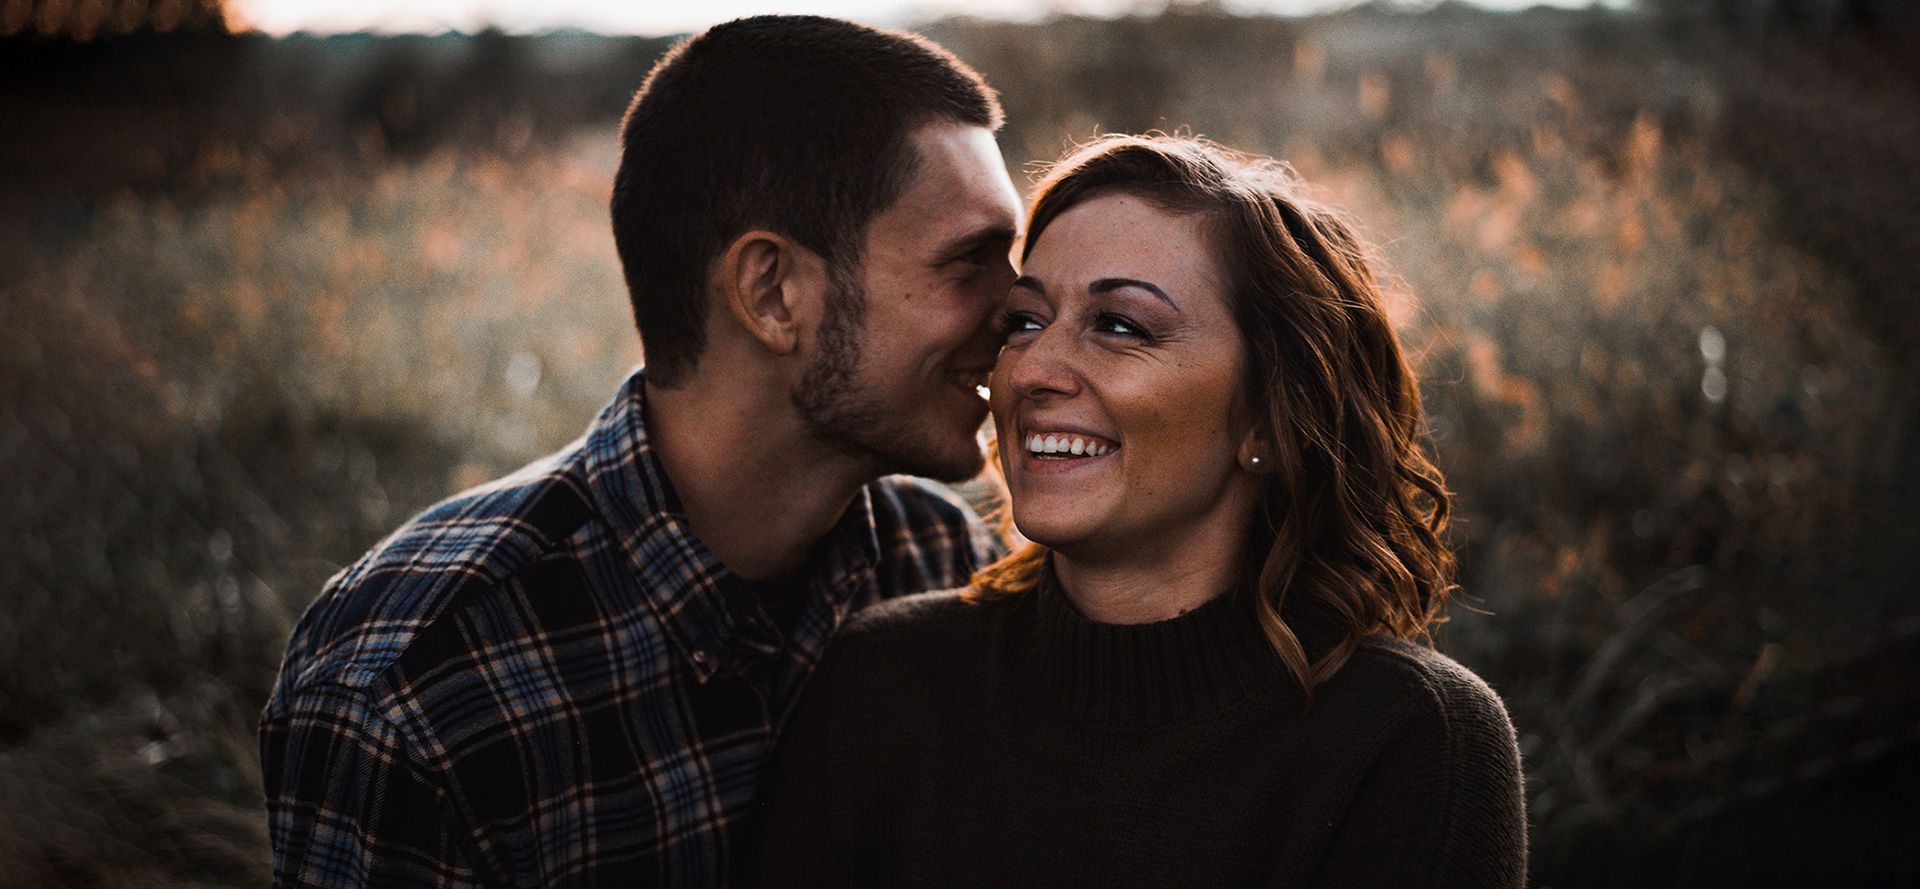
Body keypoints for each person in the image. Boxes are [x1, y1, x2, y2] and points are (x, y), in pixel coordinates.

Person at [259, 16, 1023, 888]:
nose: (1020, 312)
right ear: (772, 292)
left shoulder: (947, 563)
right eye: (971, 264)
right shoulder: (416, 683)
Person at [756, 134, 1528, 887]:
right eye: (1024, 320)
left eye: (1121, 326)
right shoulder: (879, 682)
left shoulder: (1408, 739)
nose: (1032, 371)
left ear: (1268, 418)